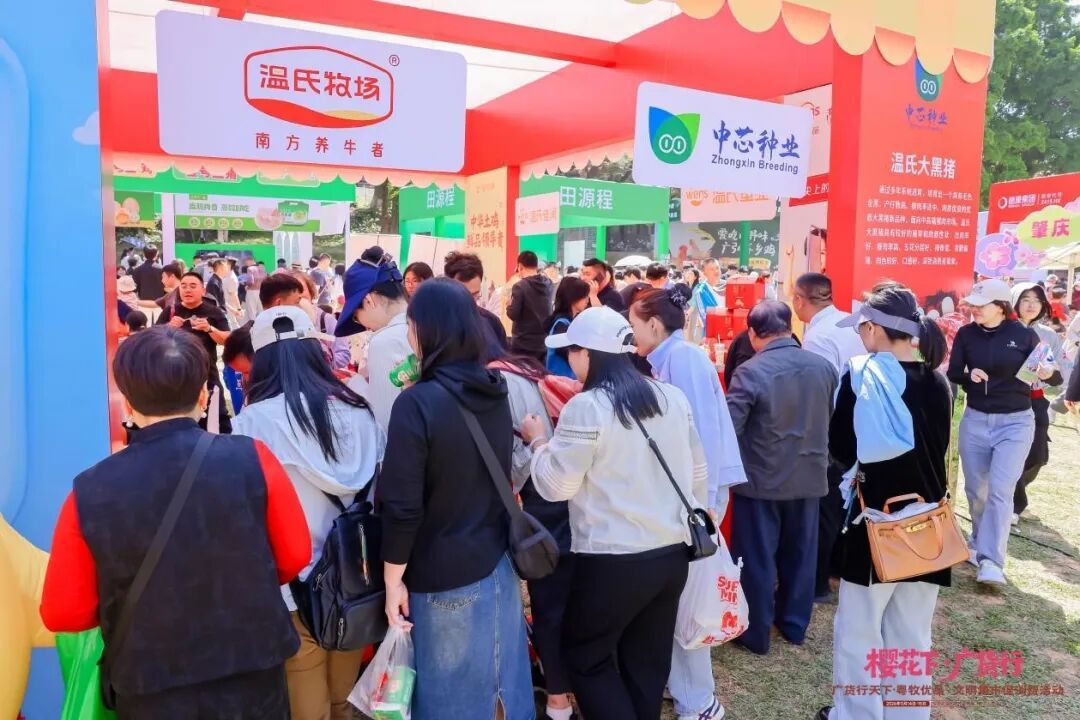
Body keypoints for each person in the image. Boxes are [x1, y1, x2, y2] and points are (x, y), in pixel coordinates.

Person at [40, 326, 310, 718]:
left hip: (149, 686)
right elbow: (294, 555)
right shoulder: (253, 458)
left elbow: (64, 612)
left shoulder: (89, 491)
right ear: (203, 395)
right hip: (252, 672)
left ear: (127, 403)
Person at [522, 305, 707, 720]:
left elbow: (556, 486)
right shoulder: (671, 397)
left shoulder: (587, 407)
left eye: (571, 351)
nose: (569, 359)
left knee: (586, 657)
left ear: (588, 354)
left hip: (612, 559)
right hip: (672, 553)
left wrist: (538, 443)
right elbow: (698, 473)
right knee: (646, 661)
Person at [380, 279, 533, 720]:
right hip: (496, 562)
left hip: (443, 573)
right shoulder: (493, 387)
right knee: (501, 685)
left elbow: (402, 505)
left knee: (453, 699)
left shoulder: (417, 403)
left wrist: (392, 582)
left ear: (424, 331)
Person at [233, 306, 381, 720]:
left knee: (305, 701)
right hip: (355, 579)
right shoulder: (360, 411)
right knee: (344, 697)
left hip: (291, 587)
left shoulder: (253, 423)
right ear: (316, 352)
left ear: (261, 362)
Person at [818, 284, 953, 720]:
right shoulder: (938, 381)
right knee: (912, 634)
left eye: (861, 327)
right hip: (929, 523)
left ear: (875, 328)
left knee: (859, 631)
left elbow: (842, 447)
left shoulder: (861, 377)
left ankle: (857, 713)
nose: (860, 335)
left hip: (875, 521)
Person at [628, 288, 746, 720]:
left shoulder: (683, 359)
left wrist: (704, 503)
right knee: (678, 598)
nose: (631, 333)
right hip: (689, 497)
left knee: (690, 602)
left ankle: (697, 699)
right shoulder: (672, 358)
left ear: (653, 324)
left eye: (634, 324)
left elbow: (703, 437)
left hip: (695, 500)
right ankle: (683, 688)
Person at [725, 300, 837, 655]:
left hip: (761, 480)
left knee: (757, 559)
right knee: (801, 556)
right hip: (810, 475)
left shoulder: (750, 371)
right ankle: (794, 625)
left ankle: (755, 632)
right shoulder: (823, 368)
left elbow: (730, 428)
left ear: (753, 333)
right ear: (790, 328)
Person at [483, 343, 577, 720]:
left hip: (543, 497)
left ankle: (558, 699)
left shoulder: (496, 378)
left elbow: (517, 459)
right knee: (572, 597)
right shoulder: (523, 368)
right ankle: (572, 685)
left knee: (548, 602)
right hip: (574, 493)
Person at [947, 279, 1042, 585]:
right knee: (977, 491)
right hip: (976, 420)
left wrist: (1046, 371)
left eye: (981, 304)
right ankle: (977, 541)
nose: (974, 309)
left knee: (1001, 491)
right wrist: (969, 375)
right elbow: (954, 372)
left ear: (1001, 307)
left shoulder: (1024, 335)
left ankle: (991, 561)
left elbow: (1049, 374)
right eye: (972, 304)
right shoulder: (966, 333)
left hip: (1016, 422)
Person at [791, 273, 869, 601]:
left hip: (831, 428)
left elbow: (818, 393)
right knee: (843, 500)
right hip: (858, 423)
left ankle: (819, 581)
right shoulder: (848, 324)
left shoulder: (817, 338)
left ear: (799, 300)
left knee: (825, 505)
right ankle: (836, 568)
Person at [336, 247, 412, 432]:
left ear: (368, 300)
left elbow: (385, 422)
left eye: (356, 317)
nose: (363, 325)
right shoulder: (426, 323)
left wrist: (356, 387)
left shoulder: (385, 341)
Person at [1010, 283, 1064, 523]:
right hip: (1008, 401)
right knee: (1011, 454)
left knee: (1037, 455)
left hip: (1035, 399)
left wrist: (1048, 373)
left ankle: (1013, 490)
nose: (1031, 305)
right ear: (1014, 301)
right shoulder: (1003, 330)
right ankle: (1014, 504)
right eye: (1025, 299)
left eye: (1037, 300)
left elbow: (1058, 378)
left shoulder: (1048, 335)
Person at [155, 272, 233, 433]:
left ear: (203, 290)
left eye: (192, 286)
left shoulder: (214, 312)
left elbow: (228, 339)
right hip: (176, 377)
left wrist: (210, 329)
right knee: (180, 423)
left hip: (208, 376)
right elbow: (152, 340)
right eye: (183, 286)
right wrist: (169, 327)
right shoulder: (170, 311)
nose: (187, 290)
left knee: (217, 420)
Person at [443, 250, 511, 351]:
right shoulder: (436, 325)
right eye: (462, 294)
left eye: (475, 295)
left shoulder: (491, 322)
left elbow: (503, 356)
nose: (468, 301)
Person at [507, 250, 554, 361]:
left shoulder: (519, 286)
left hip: (523, 344)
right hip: (543, 343)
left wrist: (509, 306)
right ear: (536, 266)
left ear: (520, 266)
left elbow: (513, 314)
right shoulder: (548, 283)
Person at [545, 276, 592, 378]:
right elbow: (569, 352)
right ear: (574, 298)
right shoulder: (562, 324)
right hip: (562, 380)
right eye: (585, 296)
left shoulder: (567, 322)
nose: (587, 300)